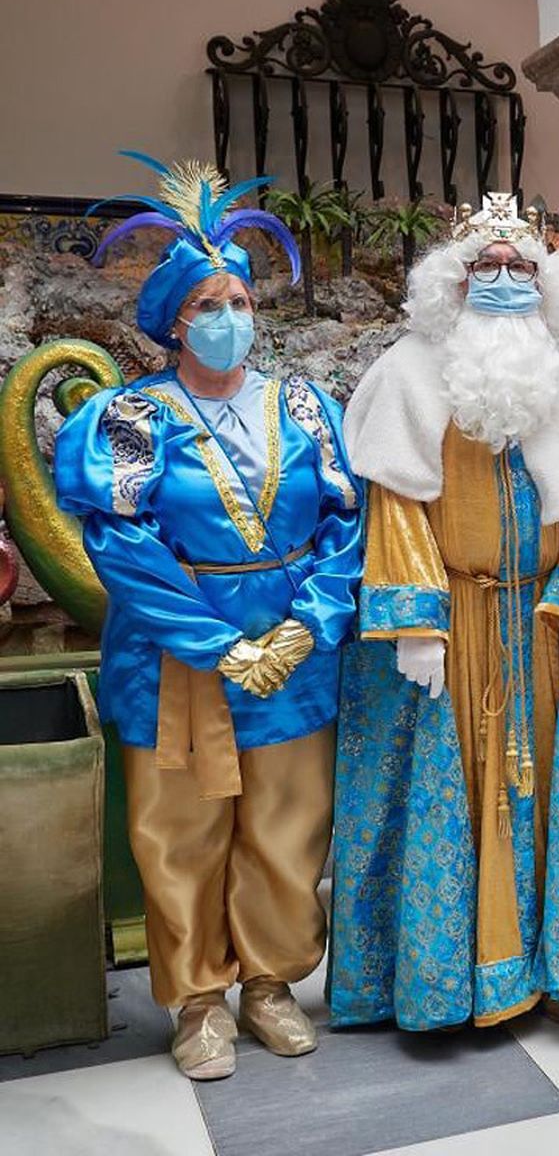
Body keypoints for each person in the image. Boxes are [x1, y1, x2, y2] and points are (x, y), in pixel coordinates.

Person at [55, 153, 362, 1080]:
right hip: (176, 659)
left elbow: (348, 523)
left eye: (241, 302)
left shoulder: (306, 406)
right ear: (173, 322)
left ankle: (270, 985)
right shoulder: (130, 417)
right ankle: (197, 1003)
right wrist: (220, 645)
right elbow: (122, 546)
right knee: (179, 829)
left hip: (295, 652)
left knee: (289, 823)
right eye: (209, 305)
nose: (231, 319)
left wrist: (310, 623)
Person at [328, 194, 559, 1030]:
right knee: (444, 794)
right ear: (456, 278)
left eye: (521, 267)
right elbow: (394, 504)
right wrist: (414, 620)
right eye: (488, 265)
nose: (505, 279)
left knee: (558, 788)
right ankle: (446, 985)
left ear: (547, 282)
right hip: (452, 624)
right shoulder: (407, 371)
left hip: (547, 626)